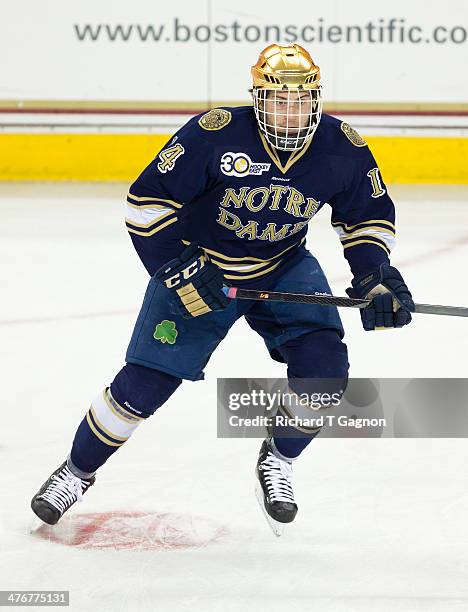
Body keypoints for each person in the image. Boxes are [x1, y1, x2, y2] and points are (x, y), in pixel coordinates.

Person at [31, 43, 414, 533]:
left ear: (317, 98)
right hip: (199, 268)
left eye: (301, 99)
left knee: (325, 370)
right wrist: (176, 268)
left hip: (282, 267)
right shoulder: (215, 134)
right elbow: (146, 203)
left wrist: (375, 276)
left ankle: (278, 459)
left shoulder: (344, 147)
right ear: (258, 98)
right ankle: (77, 471)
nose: (290, 110)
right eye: (278, 99)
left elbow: (369, 218)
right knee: (145, 385)